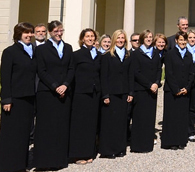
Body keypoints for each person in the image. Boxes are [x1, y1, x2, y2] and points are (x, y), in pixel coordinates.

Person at [33, 20, 74, 170]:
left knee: (61, 127)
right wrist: (55, 86)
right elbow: (41, 71)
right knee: (46, 128)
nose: (59, 33)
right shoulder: (42, 49)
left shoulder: (68, 48)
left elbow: (71, 69)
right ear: (50, 32)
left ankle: (60, 160)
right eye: (56, 31)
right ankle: (44, 162)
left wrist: (65, 85)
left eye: (61, 30)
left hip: (65, 92)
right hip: (47, 93)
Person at [0, 22, 36, 172]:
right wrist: (6, 99)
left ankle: (22, 164)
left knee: (25, 134)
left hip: (29, 98)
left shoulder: (34, 51)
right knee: (12, 134)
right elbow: (5, 77)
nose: (29, 35)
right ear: (18, 34)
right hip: (15, 100)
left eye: (30, 32)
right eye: (25, 32)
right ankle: (9, 166)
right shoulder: (10, 52)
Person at [99, 29, 134, 159]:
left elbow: (131, 74)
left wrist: (131, 92)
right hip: (111, 93)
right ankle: (108, 150)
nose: (120, 40)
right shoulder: (107, 56)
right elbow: (104, 76)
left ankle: (120, 148)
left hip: (124, 93)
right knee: (109, 122)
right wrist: (105, 94)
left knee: (122, 122)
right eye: (118, 38)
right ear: (114, 39)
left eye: (122, 38)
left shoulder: (128, 55)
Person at [68, 28, 101, 164]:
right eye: (87, 36)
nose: (90, 38)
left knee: (91, 124)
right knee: (79, 124)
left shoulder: (98, 55)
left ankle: (89, 152)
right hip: (80, 93)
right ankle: (78, 154)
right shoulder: (76, 55)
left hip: (95, 93)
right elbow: (71, 73)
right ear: (82, 39)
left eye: (92, 36)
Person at [130, 29, 162, 153]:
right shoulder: (136, 53)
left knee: (150, 117)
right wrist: (149, 84)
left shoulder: (155, 52)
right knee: (139, 117)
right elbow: (136, 72)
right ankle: (138, 145)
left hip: (152, 90)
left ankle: (148, 144)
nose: (149, 38)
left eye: (150, 37)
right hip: (141, 89)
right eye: (147, 37)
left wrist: (156, 83)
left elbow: (159, 69)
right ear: (142, 38)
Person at [161, 31, 194, 150]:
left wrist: (187, 88)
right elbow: (169, 73)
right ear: (176, 41)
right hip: (172, 91)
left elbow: (191, 73)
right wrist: (176, 89)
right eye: (180, 40)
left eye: (184, 40)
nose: (183, 42)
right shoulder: (170, 54)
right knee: (171, 116)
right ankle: (170, 142)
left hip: (185, 91)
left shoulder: (189, 55)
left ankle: (181, 141)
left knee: (182, 117)